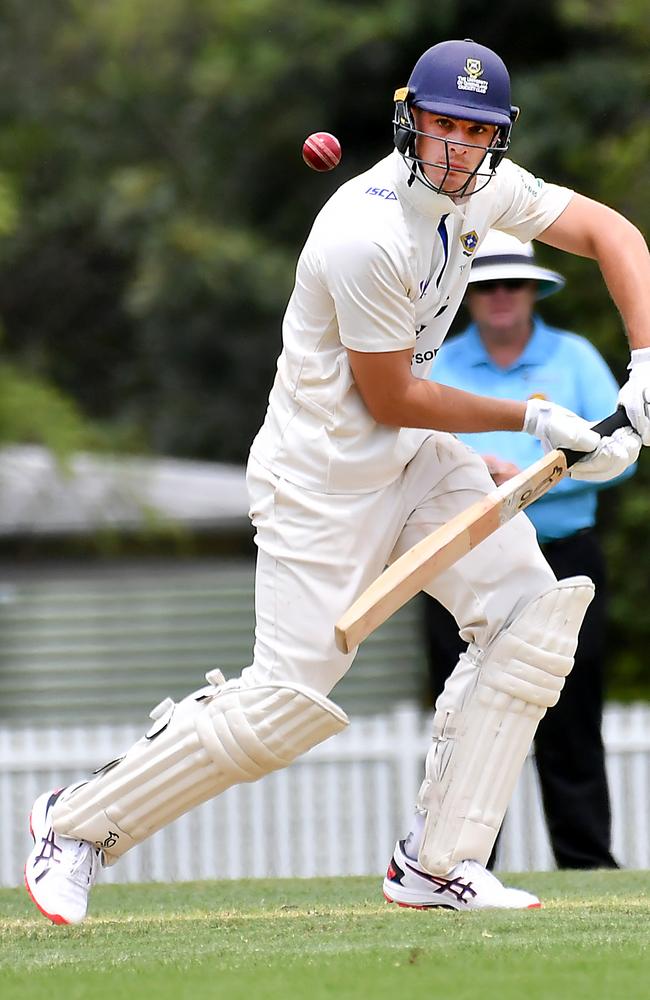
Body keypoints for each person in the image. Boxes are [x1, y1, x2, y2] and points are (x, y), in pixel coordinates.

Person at [25, 38, 649, 924]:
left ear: (497, 137)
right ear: (410, 120)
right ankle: (75, 826)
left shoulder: (485, 189)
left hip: (415, 462)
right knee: (282, 706)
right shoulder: (367, 233)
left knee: (530, 621)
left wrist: (647, 364)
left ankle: (439, 865)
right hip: (319, 479)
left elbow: (609, 232)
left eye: (477, 132)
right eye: (442, 126)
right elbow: (391, 394)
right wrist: (532, 417)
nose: (458, 149)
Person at [422, 229, 634, 870]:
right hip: (465, 561)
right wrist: (476, 469)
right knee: (466, 714)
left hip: (563, 555)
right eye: (485, 285)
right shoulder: (441, 365)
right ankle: (457, 867)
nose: (500, 297)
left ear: (534, 290)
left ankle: (587, 862)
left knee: (571, 714)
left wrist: (553, 469)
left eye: (512, 283)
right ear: (468, 296)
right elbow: (413, 450)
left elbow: (620, 452)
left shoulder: (573, 358)